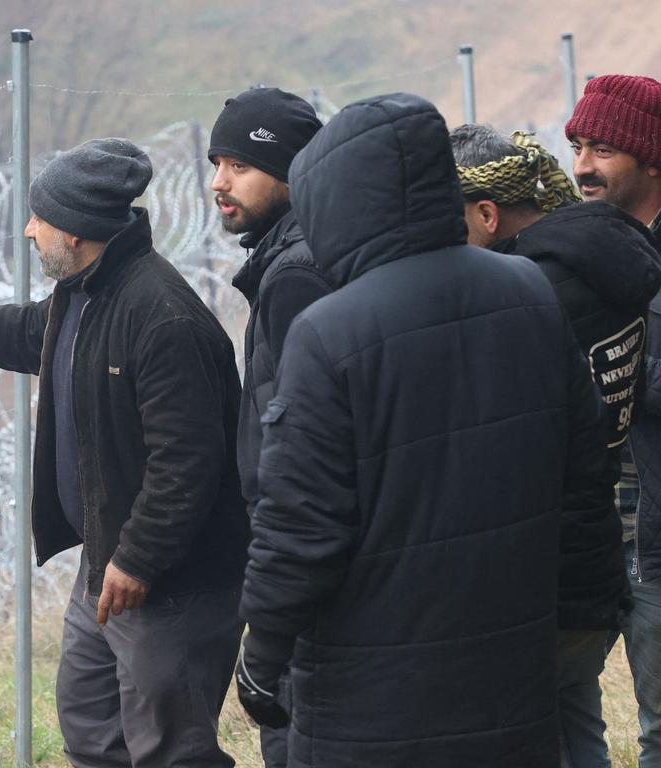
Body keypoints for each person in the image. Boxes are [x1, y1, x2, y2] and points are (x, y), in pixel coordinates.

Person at [236, 92, 615, 767]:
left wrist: (260, 660)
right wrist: (582, 613)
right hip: (512, 676)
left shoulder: (330, 332)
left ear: (338, 202)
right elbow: (583, 472)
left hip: (370, 699)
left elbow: (300, 527)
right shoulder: (529, 292)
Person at [0, 138, 249, 768]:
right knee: (92, 729)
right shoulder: (90, 292)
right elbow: (36, 334)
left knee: (172, 751)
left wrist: (138, 559)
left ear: (75, 233)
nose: (28, 230)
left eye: (40, 219)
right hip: (111, 563)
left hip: (171, 581)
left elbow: (187, 463)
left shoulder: (158, 317)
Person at [451, 123, 660, 767]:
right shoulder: (601, 258)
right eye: (578, 151)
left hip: (562, 550)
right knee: (580, 716)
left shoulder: (527, 290)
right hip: (606, 534)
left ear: (487, 213)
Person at [207, 86, 327, 768]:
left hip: (295, 548)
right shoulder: (286, 260)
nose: (220, 182)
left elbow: (300, 440)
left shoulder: (297, 274)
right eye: (215, 162)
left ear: (289, 172)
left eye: (239, 166)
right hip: (288, 543)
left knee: (295, 729)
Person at [568, 74, 661, 768]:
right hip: (595, 533)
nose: (582, 167)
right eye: (577, 146)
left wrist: (605, 380)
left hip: (653, 546)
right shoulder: (579, 253)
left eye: (601, 148)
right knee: (554, 705)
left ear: (650, 158)